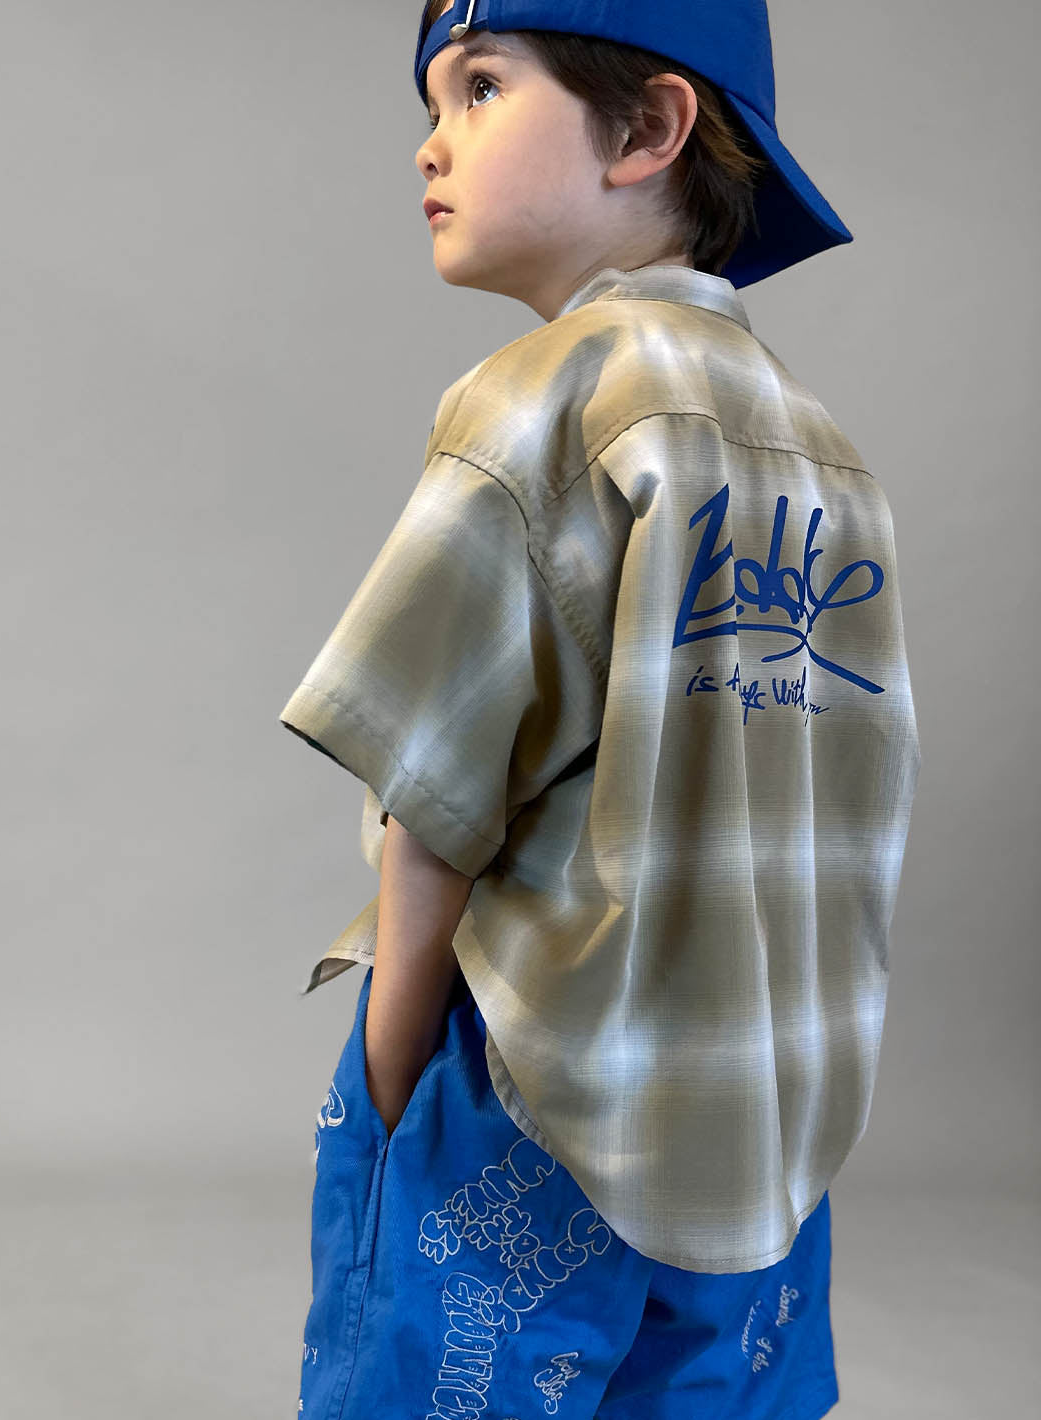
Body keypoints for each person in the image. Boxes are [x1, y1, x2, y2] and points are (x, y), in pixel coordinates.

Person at [279, 2, 922, 1416]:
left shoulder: (539, 400)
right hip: (754, 1121)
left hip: (537, 1085)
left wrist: (391, 1090)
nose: (429, 146)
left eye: (480, 89)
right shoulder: (820, 449)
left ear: (646, 127)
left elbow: (435, 796)